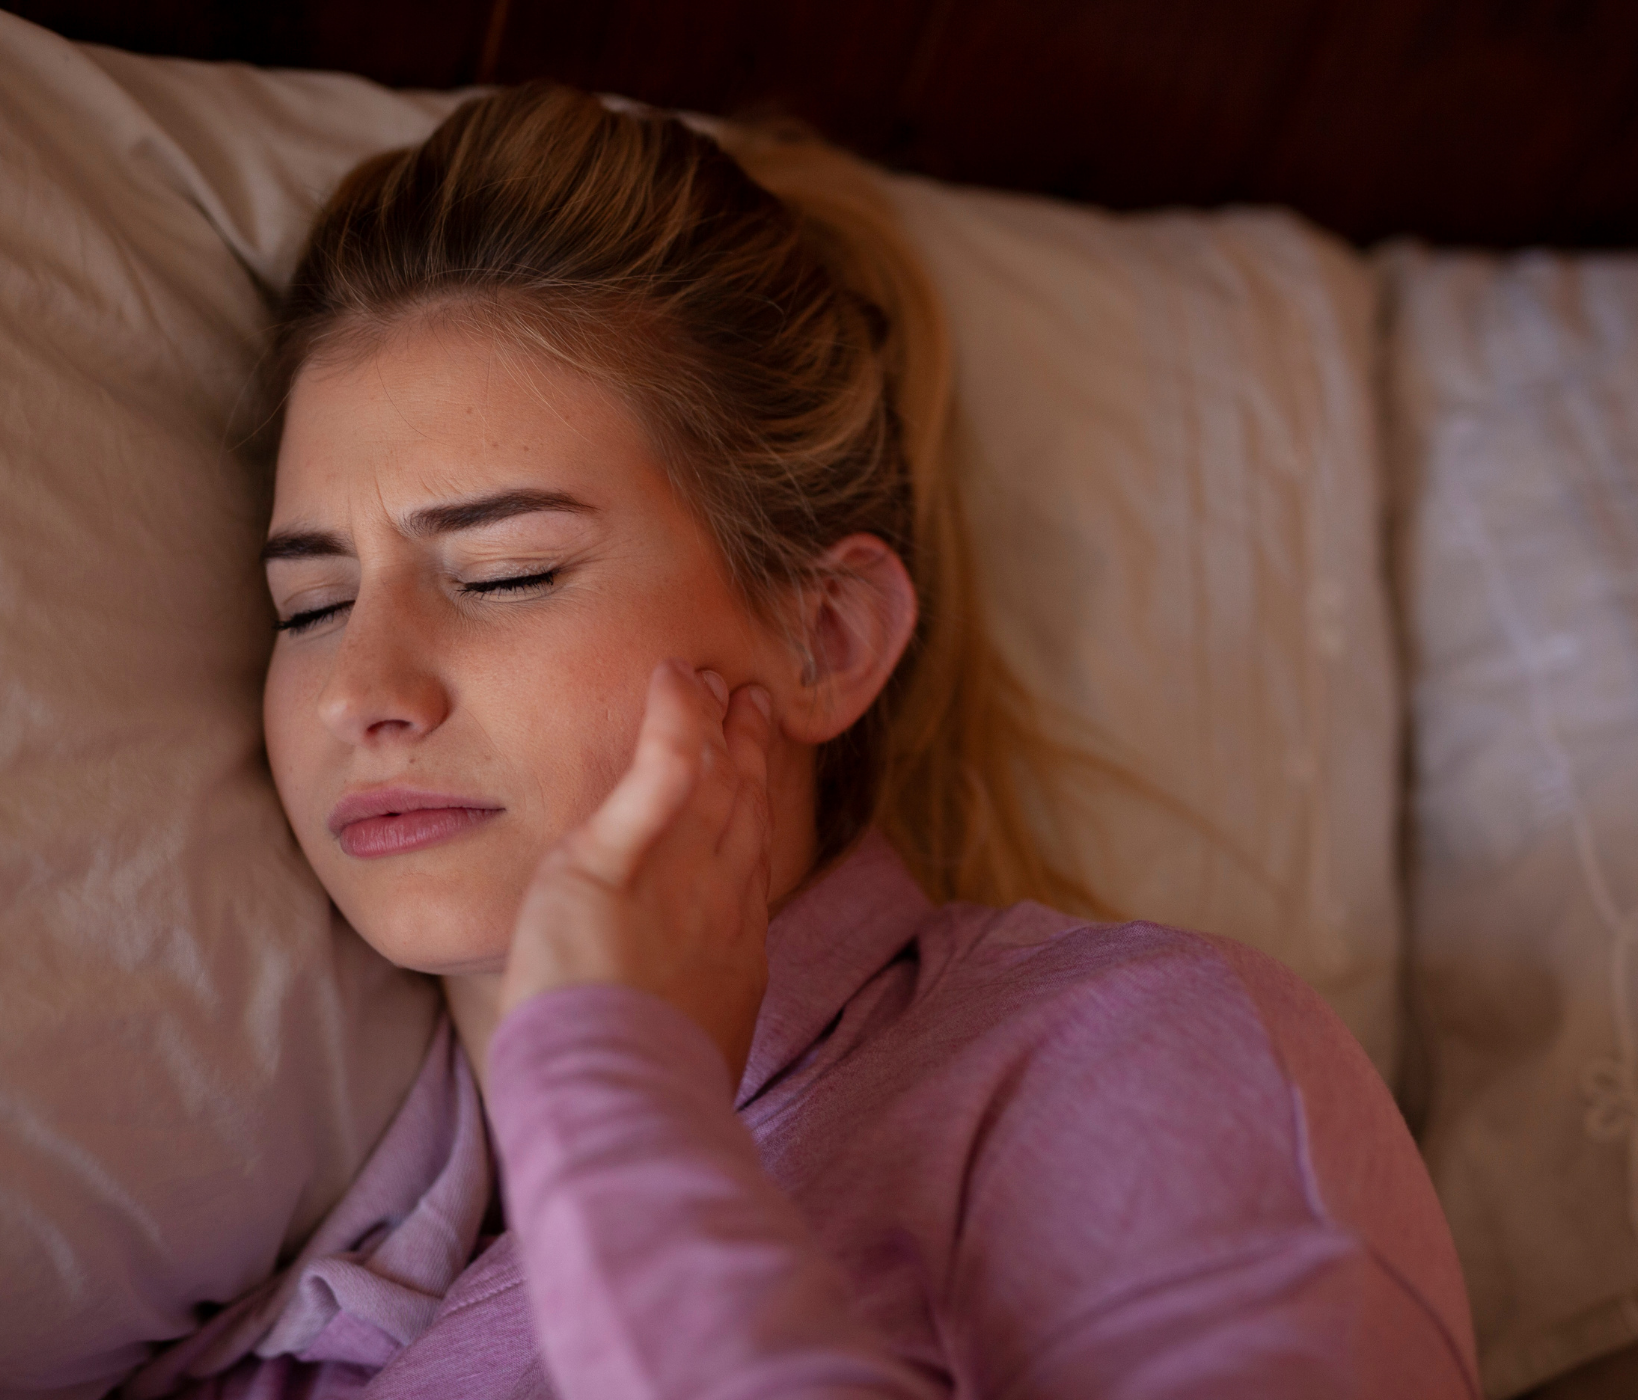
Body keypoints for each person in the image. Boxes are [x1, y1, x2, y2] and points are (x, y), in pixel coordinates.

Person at [125, 82, 1479, 1399]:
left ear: (823, 639)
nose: (364, 684)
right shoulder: (283, 1324)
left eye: (506, 573)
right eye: (309, 602)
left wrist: (620, 1115)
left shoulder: (1131, 1053)